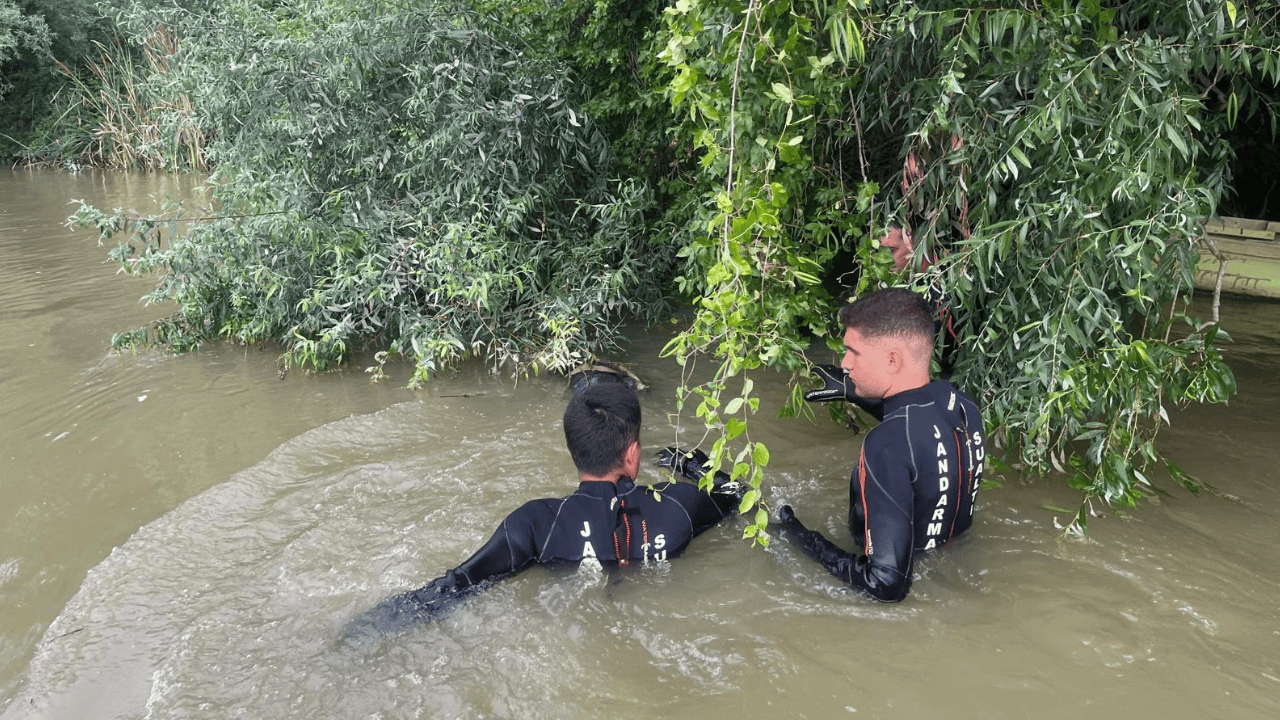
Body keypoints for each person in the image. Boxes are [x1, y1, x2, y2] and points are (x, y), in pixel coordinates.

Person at [343, 372, 742, 643]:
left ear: (573, 450)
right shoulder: (680, 505)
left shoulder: (537, 523)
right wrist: (693, 465)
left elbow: (456, 584)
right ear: (633, 455)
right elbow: (740, 495)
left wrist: (364, 632)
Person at [775, 287, 986, 602]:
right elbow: (919, 430)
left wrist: (800, 536)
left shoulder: (885, 446)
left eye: (854, 352)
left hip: (908, 602)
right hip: (954, 564)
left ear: (892, 359)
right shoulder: (960, 404)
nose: (845, 363)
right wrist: (857, 392)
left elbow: (885, 585)